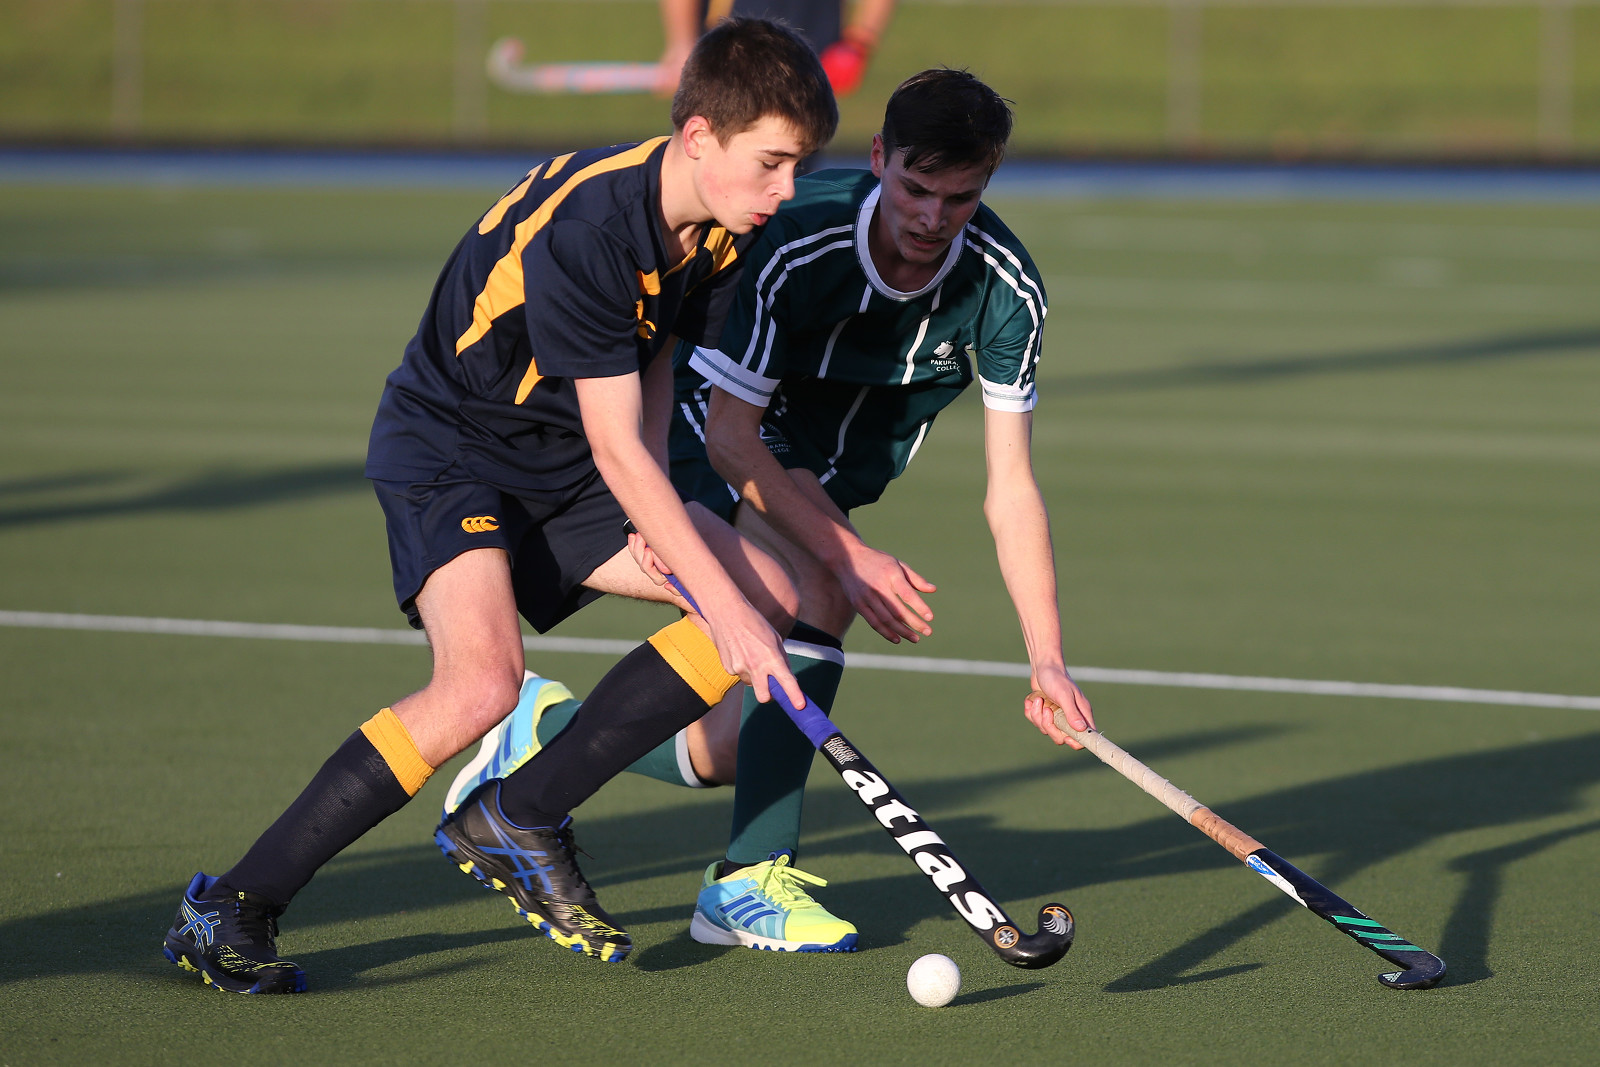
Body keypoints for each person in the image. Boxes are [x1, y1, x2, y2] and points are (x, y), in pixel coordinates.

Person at [159, 18, 838, 994]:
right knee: (482, 683)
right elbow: (614, 443)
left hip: (567, 459)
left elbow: (650, 379)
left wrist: (664, 523)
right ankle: (231, 902)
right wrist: (715, 604)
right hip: (455, 445)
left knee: (765, 586)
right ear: (699, 136)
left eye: (799, 165)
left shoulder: (720, 233)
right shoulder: (591, 229)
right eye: (772, 163)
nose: (787, 190)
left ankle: (518, 814)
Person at [458, 69, 1096, 956]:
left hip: (821, 470)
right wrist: (848, 554)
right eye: (915, 187)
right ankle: (748, 881)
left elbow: (1011, 487)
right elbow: (732, 438)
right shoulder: (798, 240)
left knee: (731, 748)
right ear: (879, 158)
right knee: (819, 588)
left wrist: (1047, 657)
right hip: (709, 425)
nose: (932, 217)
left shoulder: (1005, 287)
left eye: (961, 197)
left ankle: (543, 734)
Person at [657, 0, 898, 99]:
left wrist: (858, 43)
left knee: (791, 174)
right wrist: (682, 44)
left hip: (810, 61)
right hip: (731, 58)